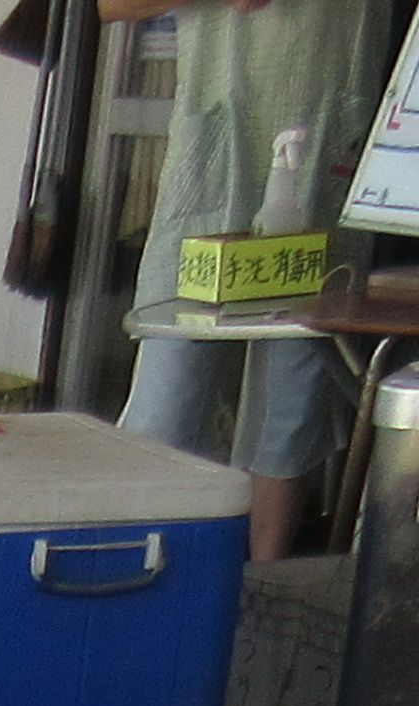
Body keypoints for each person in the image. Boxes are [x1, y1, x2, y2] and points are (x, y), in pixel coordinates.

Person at [104, 0, 383, 560]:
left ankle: (263, 585)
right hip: (212, 153)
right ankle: (140, 573)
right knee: (168, 394)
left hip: (326, 142)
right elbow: (113, 6)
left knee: (291, 398)